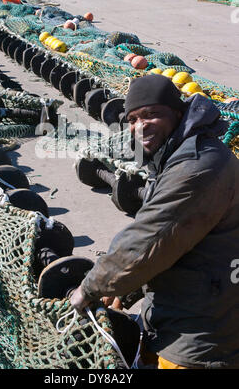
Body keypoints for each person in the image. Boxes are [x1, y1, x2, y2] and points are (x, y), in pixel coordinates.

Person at [70, 74, 239, 369]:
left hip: (201, 333)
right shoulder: (179, 153)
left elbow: (150, 238)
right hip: (181, 306)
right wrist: (127, 288)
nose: (140, 126)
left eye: (151, 114)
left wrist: (90, 288)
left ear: (176, 112)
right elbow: (170, 240)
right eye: (133, 118)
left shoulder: (198, 166)